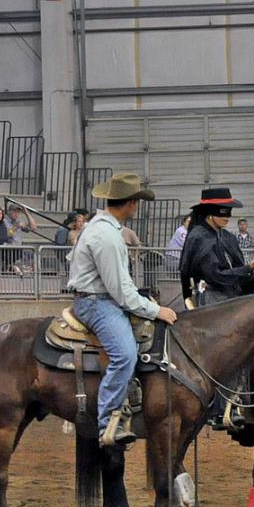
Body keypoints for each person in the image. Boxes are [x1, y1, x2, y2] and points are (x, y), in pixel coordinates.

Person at [66, 173, 177, 447]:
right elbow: (120, 291)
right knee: (124, 354)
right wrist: (155, 309)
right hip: (97, 302)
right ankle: (109, 422)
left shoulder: (105, 228)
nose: (138, 206)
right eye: (137, 200)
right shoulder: (106, 235)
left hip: (102, 297)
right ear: (130, 203)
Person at [178, 187, 254, 430]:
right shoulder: (199, 237)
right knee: (224, 348)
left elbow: (240, 272)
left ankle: (251, 396)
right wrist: (249, 270)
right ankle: (219, 408)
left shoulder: (228, 237)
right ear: (210, 213)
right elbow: (216, 276)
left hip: (232, 296)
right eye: (224, 213)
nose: (228, 217)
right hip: (212, 299)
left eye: (229, 213)